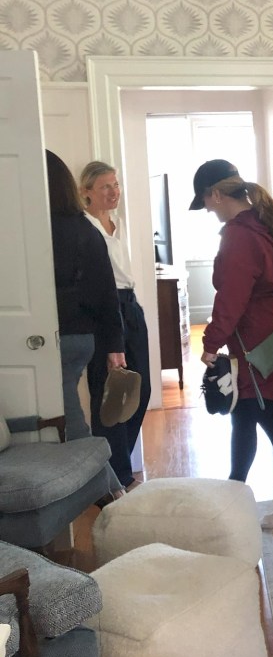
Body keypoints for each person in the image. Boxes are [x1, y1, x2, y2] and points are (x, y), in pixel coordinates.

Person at [190, 159, 273, 529]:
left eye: (206, 201)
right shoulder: (262, 222)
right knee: (242, 418)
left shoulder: (239, 234)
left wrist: (211, 344)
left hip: (260, 344)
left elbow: (232, 297)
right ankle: (234, 493)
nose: (207, 209)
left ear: (216, 194)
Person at [80, 161, 152, 489]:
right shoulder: (84, 227)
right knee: (108, 398)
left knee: (142, 389)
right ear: (87, 193)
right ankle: (118, 477)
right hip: (105, 313)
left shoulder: (118, 222)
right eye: (105, 186)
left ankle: (114, 464)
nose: (114, 192)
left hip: (130, 306)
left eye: (116, 184)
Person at [47, 151, 126, 442]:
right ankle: (109, 482)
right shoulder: (84, 228)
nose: (114, 191)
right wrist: (114, 343)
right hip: (84, 333)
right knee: (67, 412)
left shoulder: (41, 230)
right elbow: (106, 292)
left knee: (72, 422)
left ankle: (106, 483)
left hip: (62, 333)